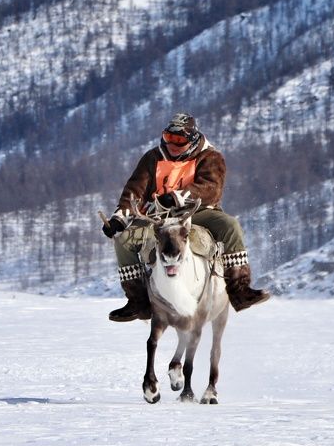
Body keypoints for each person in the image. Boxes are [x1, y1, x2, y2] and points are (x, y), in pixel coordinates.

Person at [102, 112, 270, 321]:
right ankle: (138, 301)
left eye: (179, 140)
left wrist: (176, 197)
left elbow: (210, 188)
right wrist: (120, 218)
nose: (172, 144)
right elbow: (135, 190)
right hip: (159, 216)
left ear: (191, 139)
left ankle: (239, 290)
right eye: (168, 138)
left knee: (230, 225)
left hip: (198, 211)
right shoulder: (152, 158)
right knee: (123, 240)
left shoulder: (211, 157)